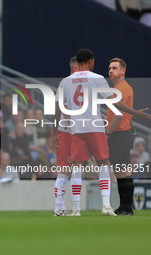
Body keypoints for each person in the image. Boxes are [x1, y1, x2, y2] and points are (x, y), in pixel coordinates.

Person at [55, 49, 151, 216]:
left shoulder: (66, 81)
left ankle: (76, 209)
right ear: (91, 61)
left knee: (77, 166)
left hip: (77, 128)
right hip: (96, 127)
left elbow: (59, 107)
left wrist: (57, 128)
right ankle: (106, 206)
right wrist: (135, 113)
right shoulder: (98, 79)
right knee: (104, 164)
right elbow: (115, 102)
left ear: (77, 63)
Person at [106, 58, 135, 216]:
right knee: (119, 172)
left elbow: (118, 115)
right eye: (110, 68)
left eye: (115, 68)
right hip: (119, 134)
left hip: (120, 133)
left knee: (123, 172)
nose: (111, 70)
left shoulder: (122, 87)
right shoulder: (117, 88)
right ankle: (122, 207)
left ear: (123, 71)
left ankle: (127, 208)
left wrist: (107, 133)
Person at [51, 56, 78, 216]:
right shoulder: (67, 83)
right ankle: (58, 208)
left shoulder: (69, 83)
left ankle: (64, 207)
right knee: (64, 170)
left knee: (70, 169)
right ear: (75, 68)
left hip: (69, 130)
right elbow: (62, 108)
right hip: (68, 131)